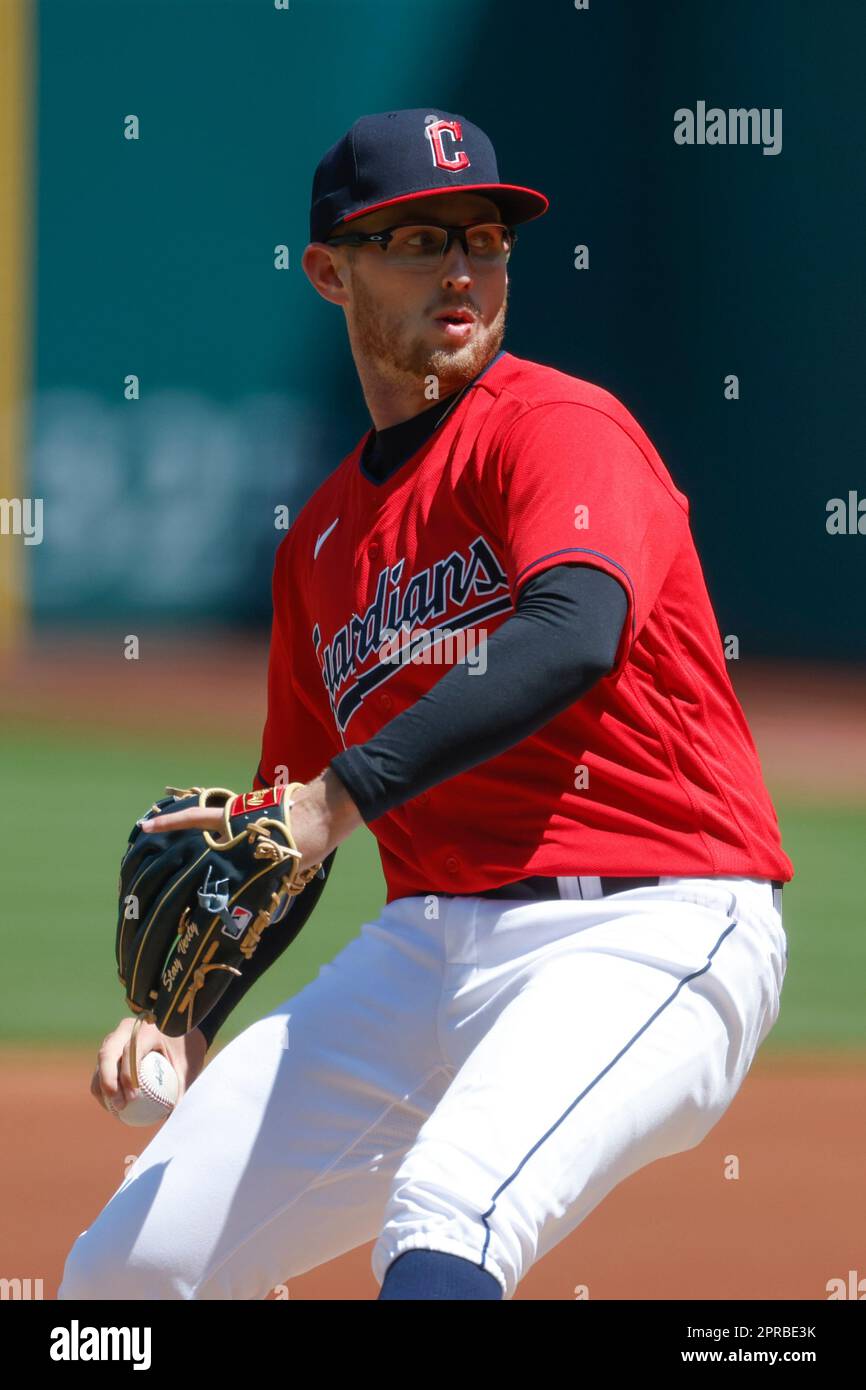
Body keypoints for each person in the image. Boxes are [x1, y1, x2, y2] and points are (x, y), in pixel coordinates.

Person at [60, 108, 792, 1302]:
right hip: (425, 946)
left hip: (649, 918)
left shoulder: (558, 426)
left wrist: (337, 801)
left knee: (446, 1215)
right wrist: (184, 1014)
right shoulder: (321, 545)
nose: (460, 268)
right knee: (127, 1274)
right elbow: (277, 829)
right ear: (327, 270)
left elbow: (571, 634)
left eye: (484, 237)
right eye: (413, 237)